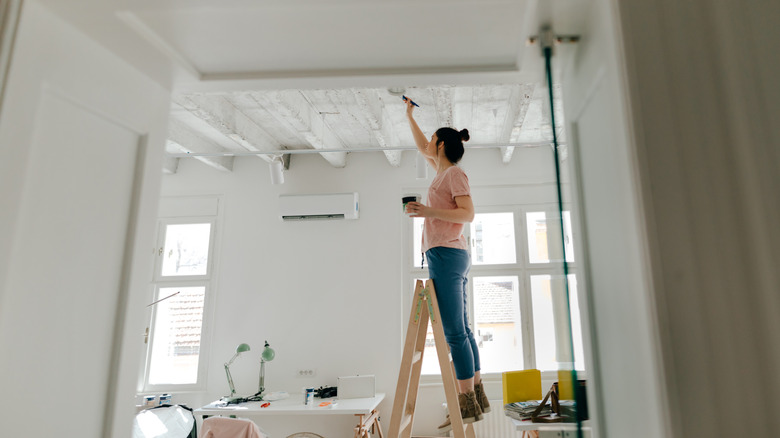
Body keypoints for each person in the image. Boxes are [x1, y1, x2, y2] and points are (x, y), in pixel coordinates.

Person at [403, 96, 489, 431]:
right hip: (447, 253)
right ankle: (475, 396)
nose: (428, 146)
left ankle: (464, 404)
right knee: (462, 330)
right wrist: (408, 114)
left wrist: (426, 212)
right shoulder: (441, 171)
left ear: (441, 145)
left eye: (432, 143)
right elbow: (423, 143)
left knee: (455, 332)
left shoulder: (454, 175)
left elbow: (468, 214)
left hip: (447, 253)